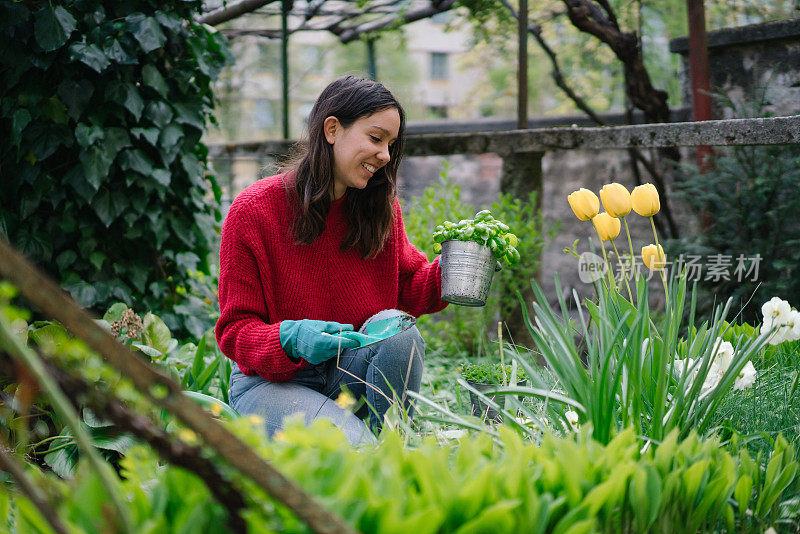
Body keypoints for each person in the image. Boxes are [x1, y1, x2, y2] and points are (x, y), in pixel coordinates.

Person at [215, 76, 448, 446]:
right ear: (333, 129)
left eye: (391, 144)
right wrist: (289, 338)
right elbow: (234, 332)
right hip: (274, 385)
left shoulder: (379, 209)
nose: (386, 155)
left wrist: (459, 264)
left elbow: (411, 291)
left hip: (346, 374)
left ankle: (390, 438)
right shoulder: (255, 210)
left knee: (398, 329)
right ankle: (370, 448)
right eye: (376, 138)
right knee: (356, 451)